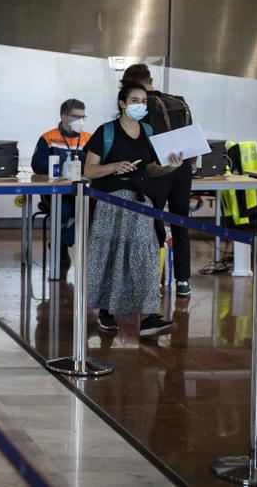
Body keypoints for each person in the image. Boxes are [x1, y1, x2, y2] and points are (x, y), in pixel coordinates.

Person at [83, 81, 184, 337]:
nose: (140, 105)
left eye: (143, 101)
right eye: (135, 101)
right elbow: (89, 170)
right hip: (112, 201)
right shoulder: (105, 132)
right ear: (122, 103)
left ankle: (149, 314)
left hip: (140, 201)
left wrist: (170, 168)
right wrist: (114, 166)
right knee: (110, 255)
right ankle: (106, 313)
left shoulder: (148, 131)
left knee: (146, 253)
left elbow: (148, 168)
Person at [121, 63, 195, 298]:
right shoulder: (179, 102)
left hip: (156, 169)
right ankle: (183, 281)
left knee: (152, 225)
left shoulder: (144, 106)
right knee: (180, 223)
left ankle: (151, 278)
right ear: (150, 79)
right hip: (182, 169)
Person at [30, 98, 92, 276]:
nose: (80, 121)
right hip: (55, 192)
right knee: (65, 211)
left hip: (81, 191)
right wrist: (60, 168)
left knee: (92, 212)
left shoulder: (88, 139)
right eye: (76, 116)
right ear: (64, 117)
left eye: (83, 117)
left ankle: (60, 242)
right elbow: (37, 164)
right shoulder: (48, 138)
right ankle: (61, 248)